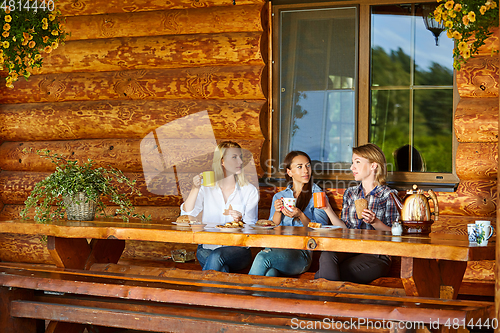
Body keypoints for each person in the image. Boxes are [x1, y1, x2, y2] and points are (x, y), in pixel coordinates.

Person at [248, 151, 345, 277]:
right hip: (278, 248)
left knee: (262, 258)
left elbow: (320, 228)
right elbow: (272, 225)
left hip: (301, 254)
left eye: (308, 166)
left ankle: (240, 295)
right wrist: (278, 211)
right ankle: (256, 296)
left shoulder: (317, 194)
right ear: (289, 172)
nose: (306, 170)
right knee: (270, 274)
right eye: (300, 167)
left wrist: (300, 215)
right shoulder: (280, 196)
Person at [314, 143, 399, 284]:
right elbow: (344, 229)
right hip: (349, 249)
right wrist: (327, 209)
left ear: (374, 166)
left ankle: (323, 302)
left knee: (325, 275)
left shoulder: (388, 195)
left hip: (376, 255)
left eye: (357, 162)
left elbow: (396, 234)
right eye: (352, 163)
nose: (352, 167)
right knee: (327, 255)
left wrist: (375, 222)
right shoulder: (350, 193)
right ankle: (329, 303)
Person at [180, 141, 259, 272]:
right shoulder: (206, 187)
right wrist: (195, 188)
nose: (240, 162)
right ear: (222, 161)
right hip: (207, 247)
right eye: (234, 157)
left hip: (238, 250)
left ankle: (206, 292)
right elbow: (187, 213)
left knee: (217, 257)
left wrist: (241, 222)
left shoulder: (249, 190)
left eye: (240, 157)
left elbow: (251, 226)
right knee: (221, 267)